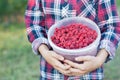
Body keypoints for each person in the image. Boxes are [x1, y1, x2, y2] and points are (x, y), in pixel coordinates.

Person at [25, 0, 120, 80]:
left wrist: (99, 59)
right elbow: (33, 24)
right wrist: (45, 51)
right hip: (51, 72)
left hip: (90, 74)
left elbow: (112, 27)